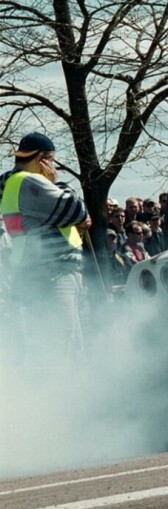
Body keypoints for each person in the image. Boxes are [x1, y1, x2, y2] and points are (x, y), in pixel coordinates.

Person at [0, 132, 90, 358]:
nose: (53, 167)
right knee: (64, 340)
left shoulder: (10, 181)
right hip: (53, 272)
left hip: (34, 270)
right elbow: (77, 210)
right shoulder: (31, 182)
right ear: (42, 159)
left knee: (61, 340)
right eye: (51, 161)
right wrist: (56, 183)